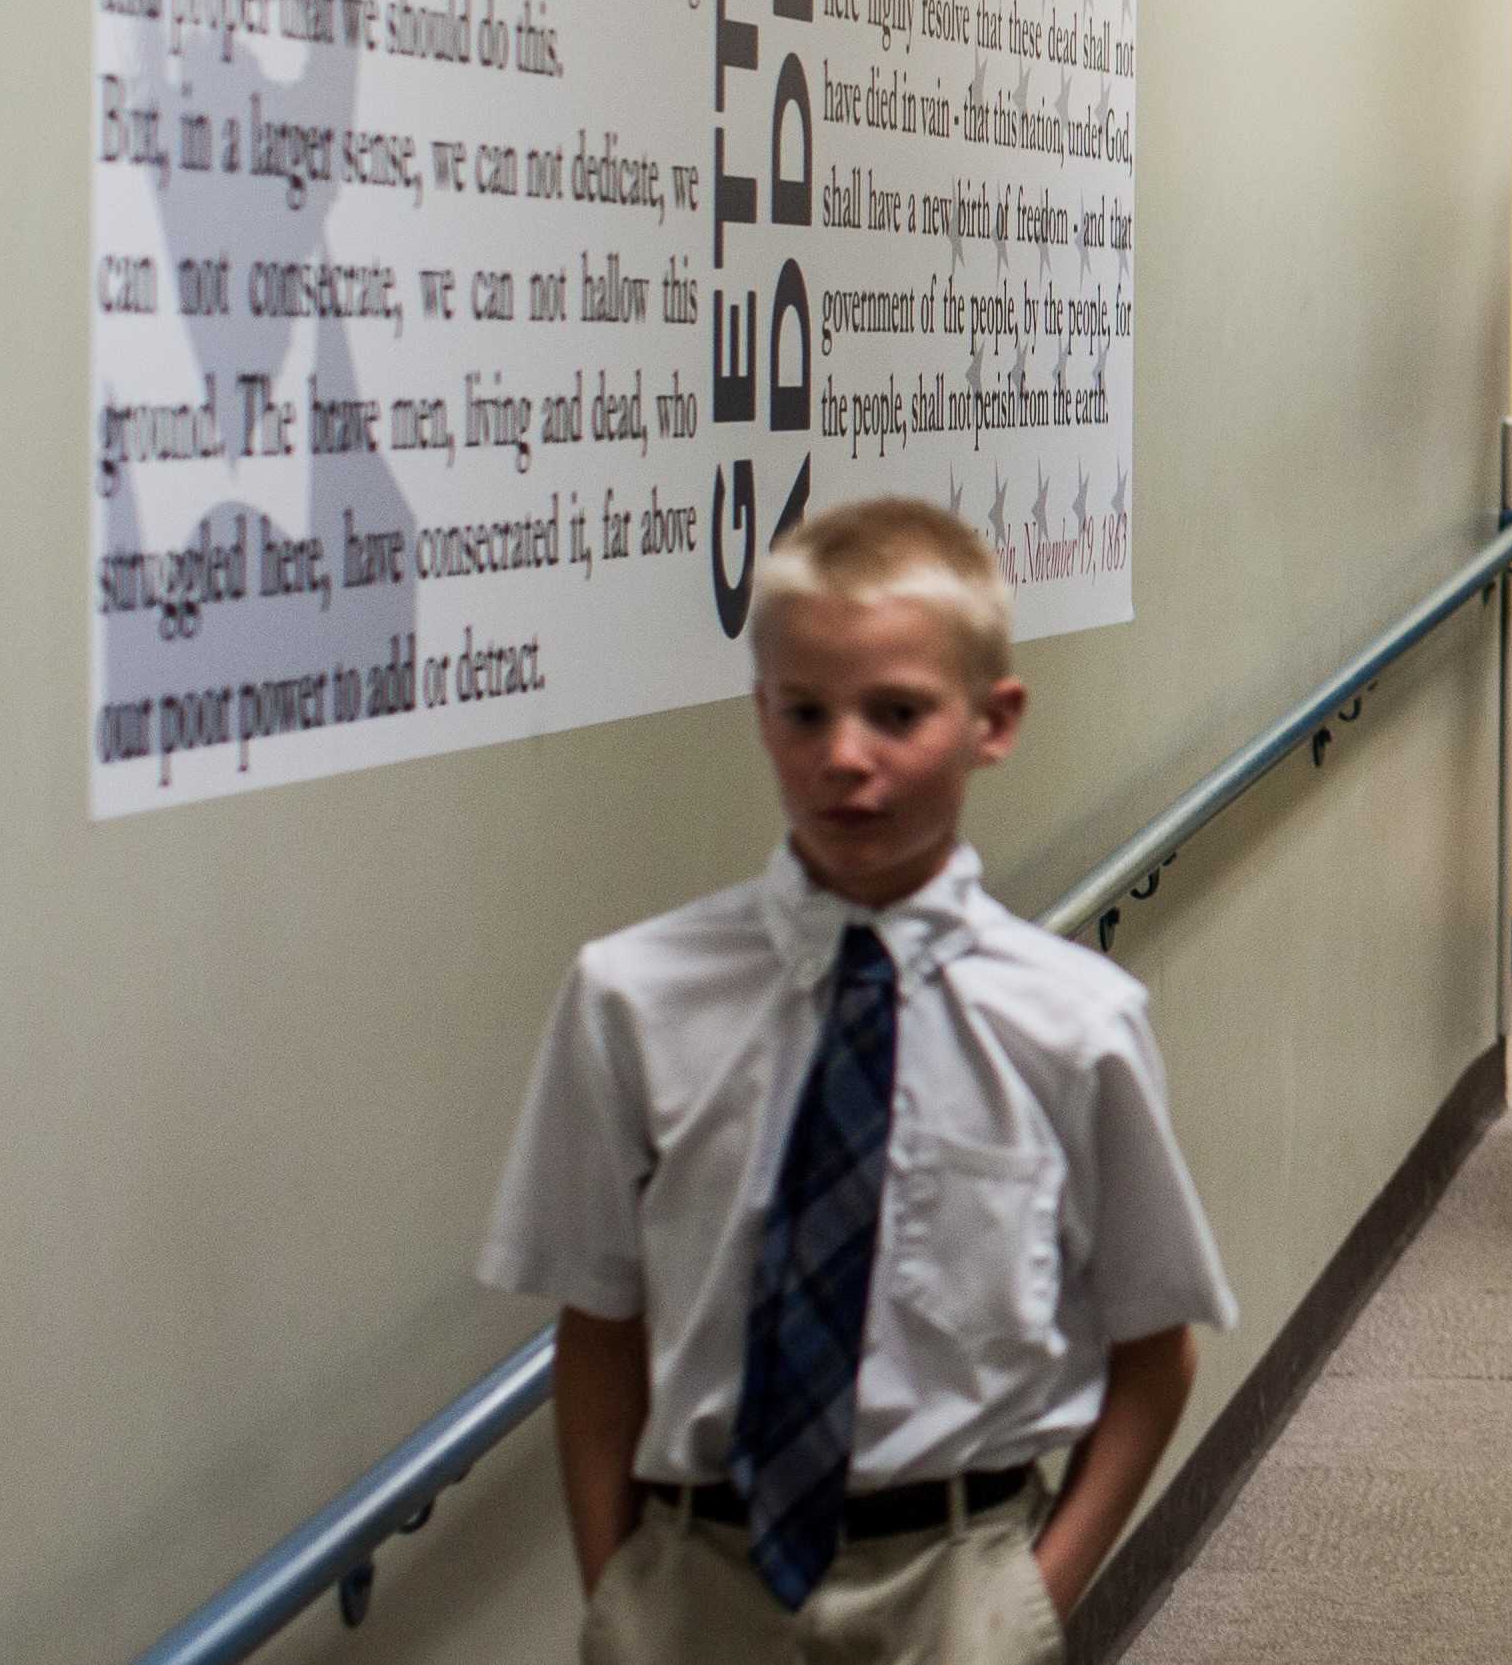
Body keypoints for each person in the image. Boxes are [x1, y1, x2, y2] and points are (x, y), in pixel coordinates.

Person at [480, 498, 1237, 1662]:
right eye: (805, 713)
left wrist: (1034, 1600)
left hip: (953, 1582)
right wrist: (615, 1587)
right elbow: (598, 1323)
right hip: (696, 1587)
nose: (845, 756)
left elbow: (1154, 1344)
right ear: (762, 716)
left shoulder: (1074, 1025)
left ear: (994, 721)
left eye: (897, 714)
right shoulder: (631, 998)